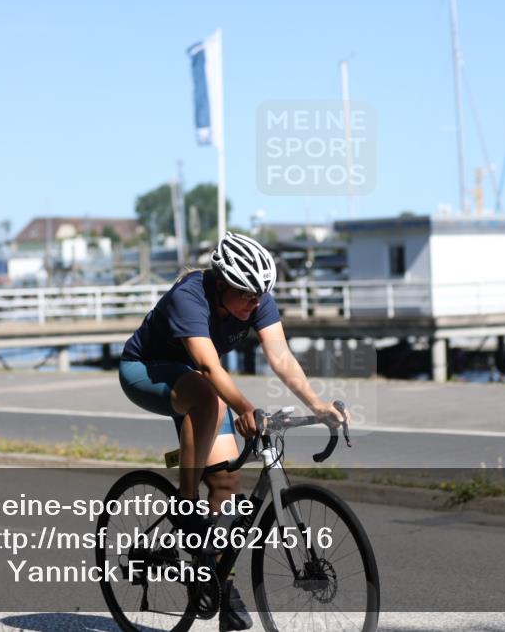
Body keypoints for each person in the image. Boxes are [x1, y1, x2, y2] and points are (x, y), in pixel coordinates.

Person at [118, 231, 348, 631]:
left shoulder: (255, 298)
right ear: (222, 282)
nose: (253, 303)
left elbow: (280, 356)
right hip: (145, 370)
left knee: (226, 483)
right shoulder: (189, 297)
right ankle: (185, 507)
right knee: (210, 398)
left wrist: (317, 405)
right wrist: (245, 408)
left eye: (259, 296)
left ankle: (217, 584)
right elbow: (209, 367)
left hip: (197, 382)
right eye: (245, 294)